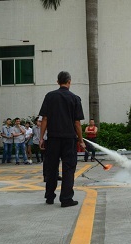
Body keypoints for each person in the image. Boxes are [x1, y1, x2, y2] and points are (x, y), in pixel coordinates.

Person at [39, 71, 85, 208]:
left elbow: (44, 119)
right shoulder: (75, 98)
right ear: (69, 81)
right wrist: (81, 140)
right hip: (69, 139)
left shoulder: (50, 96)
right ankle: (66, 199)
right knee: (68, 168)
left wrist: (41, 138)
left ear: (58, 81)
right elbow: (77, 123)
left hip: (53, 138)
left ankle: (49, 196)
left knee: (51, 168)